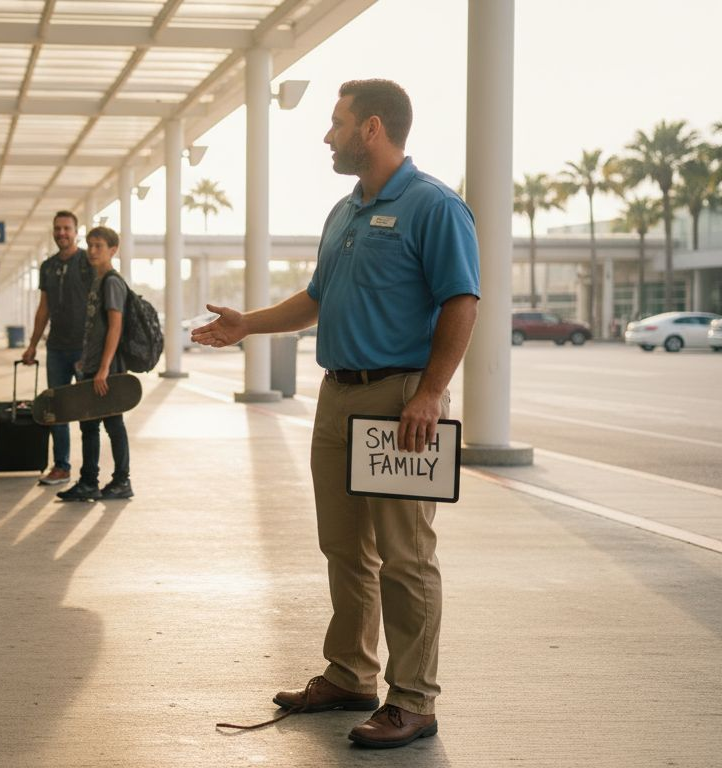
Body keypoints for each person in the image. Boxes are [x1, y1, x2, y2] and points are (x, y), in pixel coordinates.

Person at [191, 79, 480, 749]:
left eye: (337, 122)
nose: (328, 135)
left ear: (371, 129)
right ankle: (351, 673)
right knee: (345, 547)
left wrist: (431, 393)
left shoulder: (434, 206)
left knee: (406, 557)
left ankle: (414, 700)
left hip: (401, 399)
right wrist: (248, 325)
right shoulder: (345, 210)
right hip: (339, 395)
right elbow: (316, 298)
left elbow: (462, 301)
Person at [56, 226, 132, 502]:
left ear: (113, 250)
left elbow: (115, 327)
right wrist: (85, 359)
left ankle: (121, 480)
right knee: (89, 425)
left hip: (106, 369)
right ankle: (89, 481)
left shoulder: (111, 281)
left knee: (113, 423)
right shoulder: (97, 281)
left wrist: (102, 369)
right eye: (90, 245)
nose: (93, 250)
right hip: (92, 366)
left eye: (99, 245)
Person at [22, 210, 94, 486]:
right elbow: (44, 309)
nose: (62, 233)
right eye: (57, 228)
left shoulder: (88, 261)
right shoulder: (47, 266)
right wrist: (32, 345)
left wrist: (93, 349)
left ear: (76, 232)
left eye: (67, 228)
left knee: (88, 411)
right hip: (56, 349)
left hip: (84, 350)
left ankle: (90, 472)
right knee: (58, 408)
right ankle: (61, 467)